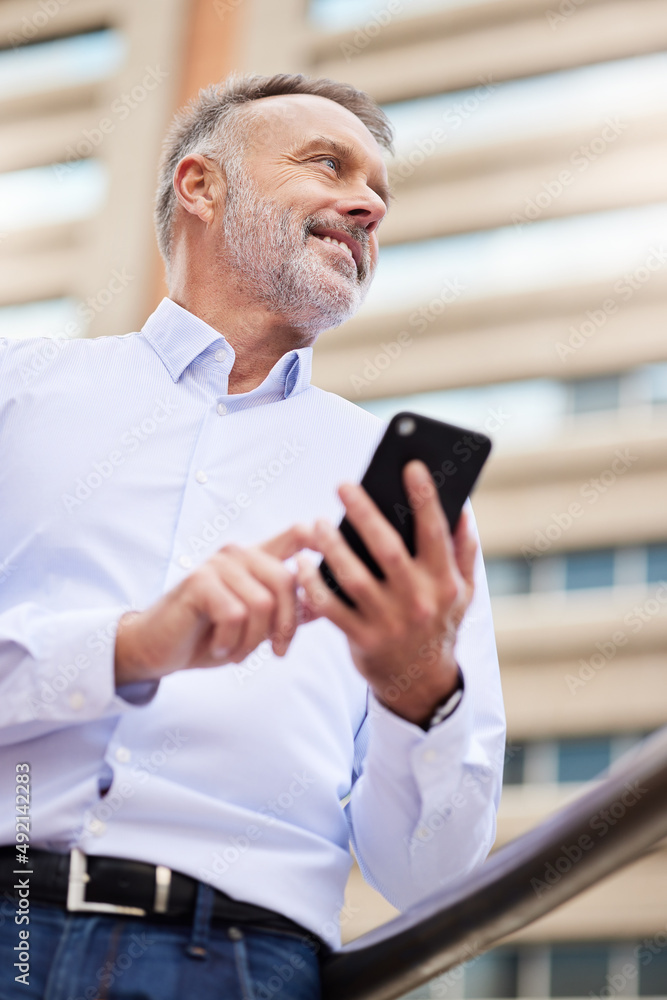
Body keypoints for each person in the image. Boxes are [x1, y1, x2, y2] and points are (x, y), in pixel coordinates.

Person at [0, 73, 505, 1000]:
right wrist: (127, 647)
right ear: (201, 186)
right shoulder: (16, 395)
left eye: (379, 197)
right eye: (328, 164)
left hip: (239, 964)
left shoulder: (411, 502)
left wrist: (416, 687)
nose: (366, 204)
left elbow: (431, 878)